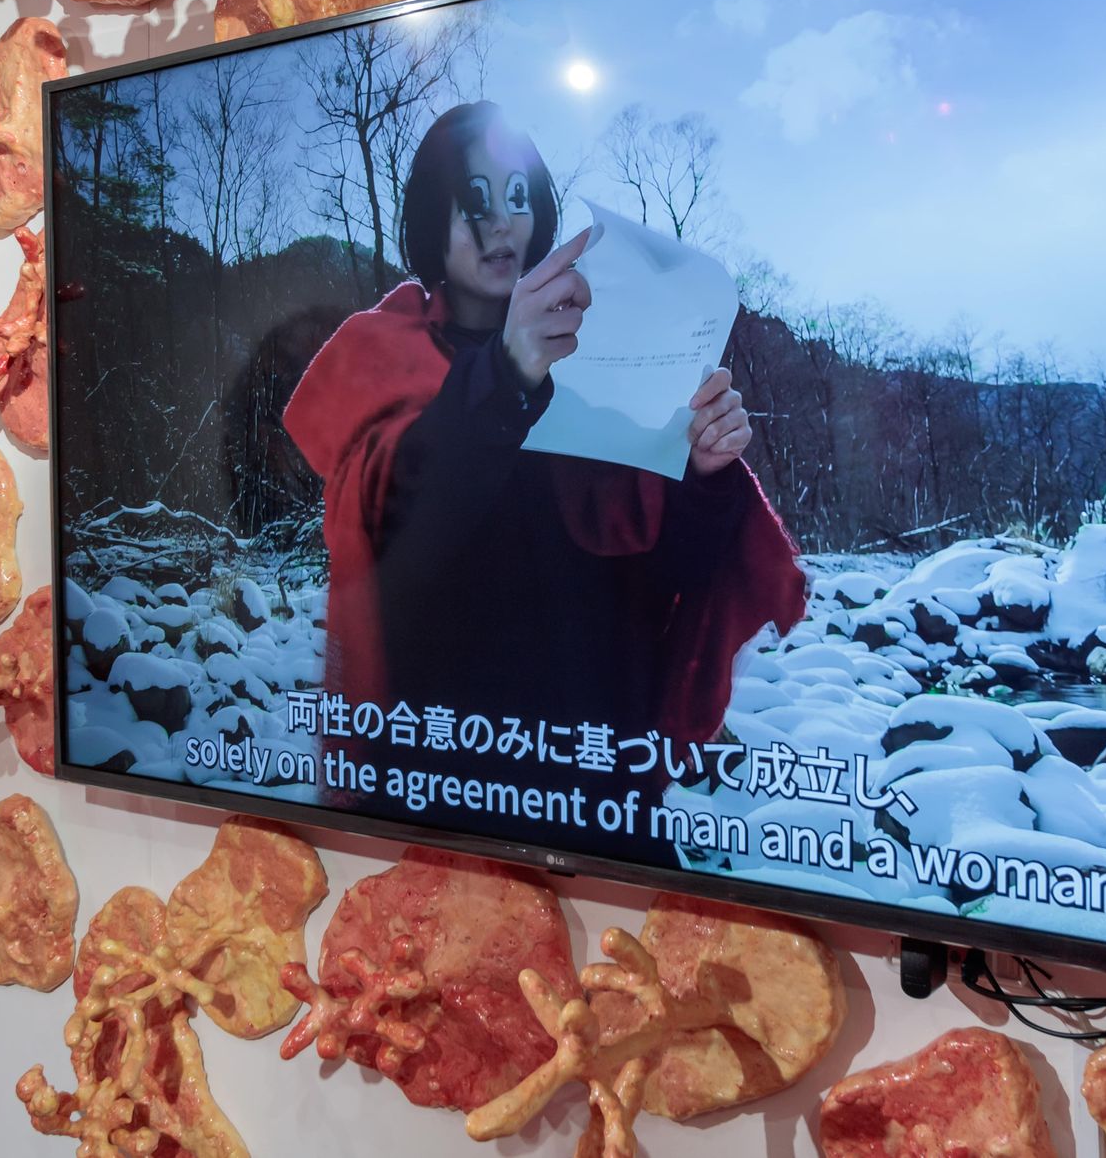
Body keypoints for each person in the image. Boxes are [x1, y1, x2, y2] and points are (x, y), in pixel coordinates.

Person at [283, 101, 804, 811]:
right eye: (476, 199)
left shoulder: (602, 357)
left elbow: (658, 575)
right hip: (436, 782)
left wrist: (702, 475)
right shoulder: (382, 355)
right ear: (432, 217)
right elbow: (399, 542)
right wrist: (504, 376)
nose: (503, 221)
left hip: (597, 788)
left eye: (519, 195)